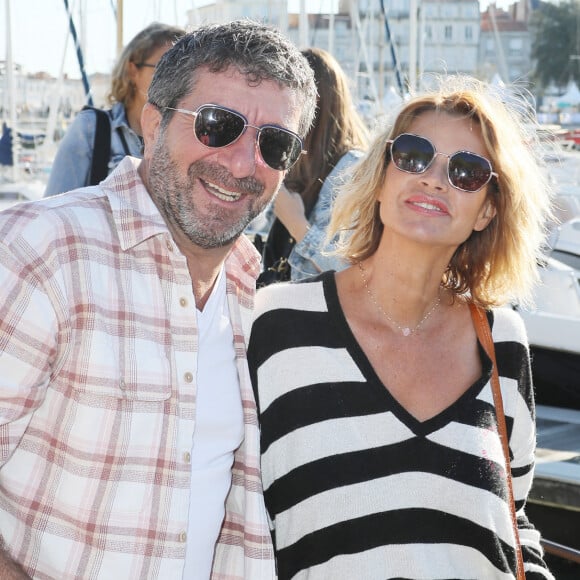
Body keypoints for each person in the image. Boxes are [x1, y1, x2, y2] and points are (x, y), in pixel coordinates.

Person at [0, 20, 316, 579]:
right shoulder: (41, 252)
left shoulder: (252, 299)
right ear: (153, 119)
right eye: (219, 126)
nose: (244, 163)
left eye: (274, 144)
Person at [248, 76, 556, 579]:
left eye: (467, 172)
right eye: (413, 154)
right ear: (381, 177)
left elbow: (516, 523)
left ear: (488, 210)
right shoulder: (276, 324)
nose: (435, 179)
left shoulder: (501, 339)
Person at [256, 47, 369, 285]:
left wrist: (299, 227)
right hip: (281, 308)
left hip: (320, 317)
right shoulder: (292, 160)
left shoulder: (352, 170)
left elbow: (354, 271)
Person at [44, 22, 185, 197]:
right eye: (165, 68)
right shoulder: (91, 129)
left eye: (182, 72)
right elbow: (55, 209)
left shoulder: (187, 136)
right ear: (133, 70)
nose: (174, 80)